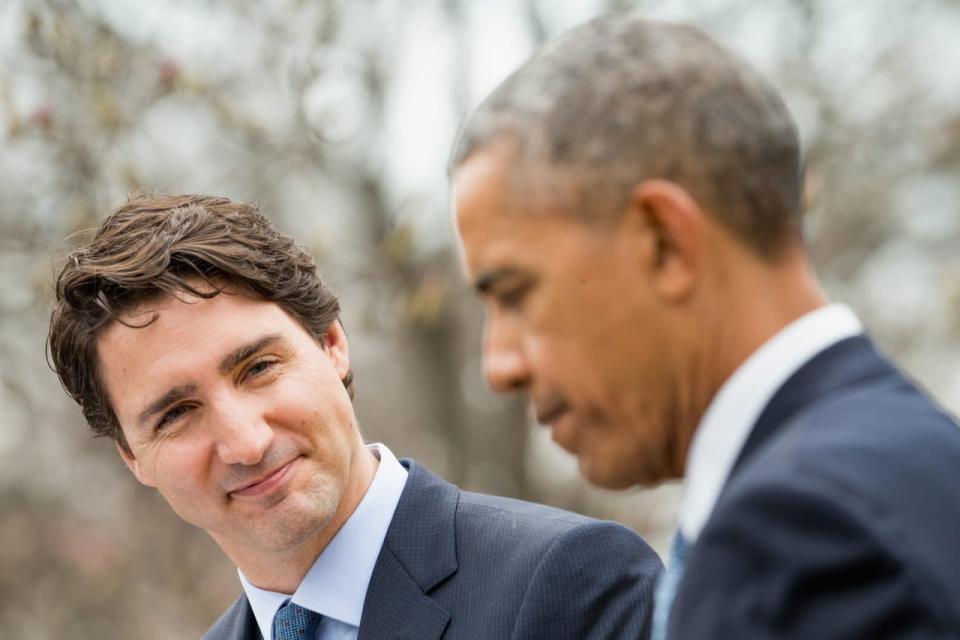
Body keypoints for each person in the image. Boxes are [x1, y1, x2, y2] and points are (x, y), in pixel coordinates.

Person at [451, 13, 960, 640]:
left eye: (515, 293)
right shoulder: (910, 457)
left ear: (664, 242)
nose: (499, 365)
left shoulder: (798, 538)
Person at [47, 194, 662, 640]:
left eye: (257, 368)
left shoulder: (567, 586)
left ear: (332, 344)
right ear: (133, 458)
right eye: (177, 413)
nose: (245, 441)